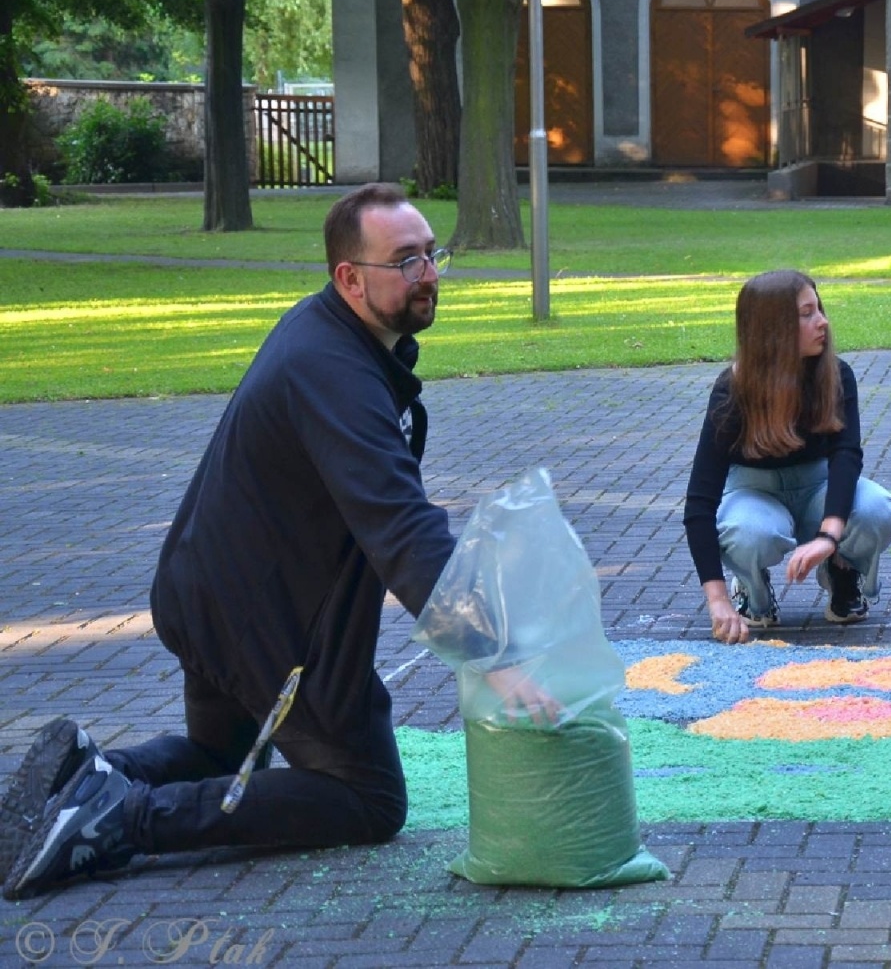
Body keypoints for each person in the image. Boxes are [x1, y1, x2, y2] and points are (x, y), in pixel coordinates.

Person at [2, 183, 550, 901]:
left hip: (212, 591)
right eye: (405, 261)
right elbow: (402, 526)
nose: (428, 274)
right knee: (366, 797)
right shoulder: (334, 371)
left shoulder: (335, 338)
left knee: (216, 753)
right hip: (255, 622)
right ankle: (120, 818)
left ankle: (95, 777)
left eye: (431, 255)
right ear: (349, 278)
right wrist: (493, 655)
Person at [683, 269, 891, 644]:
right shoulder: (732, 390)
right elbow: (700, 502)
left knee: (876, 510)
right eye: (807, 314)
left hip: (820, 487)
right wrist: (716, 600)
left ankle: (843, 571)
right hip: (755, 493)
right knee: (751, 533)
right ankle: (752, 593)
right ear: (773, 328)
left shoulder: (835, 374)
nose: (823, 322)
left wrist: (829, 538)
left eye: (819, 309)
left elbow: (846, 457)